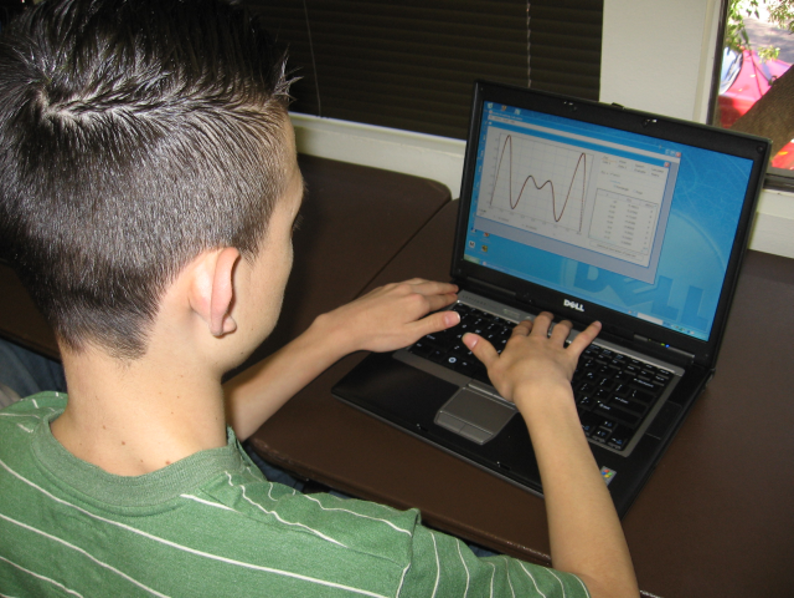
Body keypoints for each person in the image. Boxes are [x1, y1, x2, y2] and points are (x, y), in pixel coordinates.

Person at [0, 0, 638, 596]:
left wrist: (332, 333)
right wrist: (547, 395)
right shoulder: (364, 567)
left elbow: (176, 424)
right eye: (292, 221)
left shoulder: (15, 442)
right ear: (217, 289)